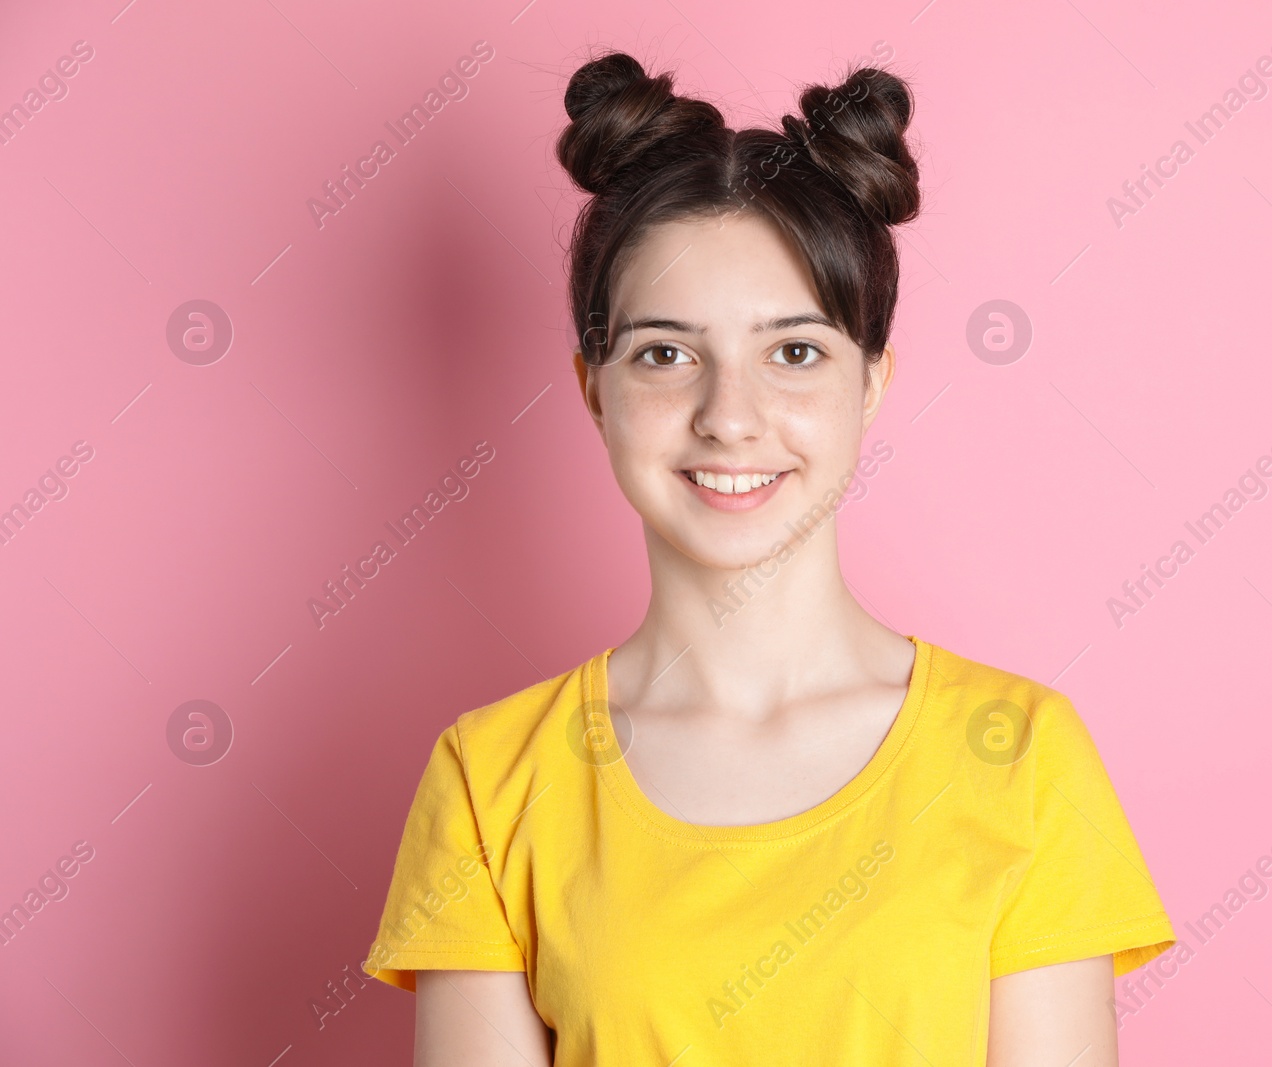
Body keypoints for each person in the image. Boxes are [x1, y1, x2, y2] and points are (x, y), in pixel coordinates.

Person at [362, 49, 1175, 1066]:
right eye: (665, 352)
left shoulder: (1019, 755)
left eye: (794, 351)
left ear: (871, 381)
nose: (729, 417)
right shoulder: (489, 781)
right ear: (593, 386)